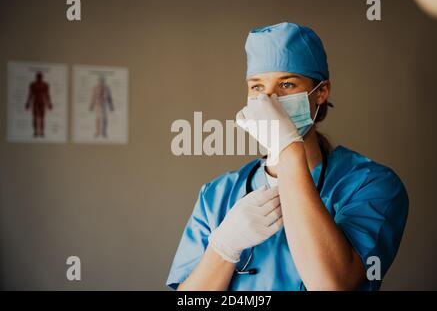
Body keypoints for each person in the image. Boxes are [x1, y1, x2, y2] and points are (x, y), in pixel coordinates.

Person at [166, 22, 408, 291]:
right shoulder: (217, 194)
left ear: (321, 92)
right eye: (257, 87)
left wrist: (289, 150)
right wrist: (223, 248)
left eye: (287, 83)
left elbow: (333, 286)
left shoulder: (372, 185)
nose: (269, 99)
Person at [25, 72, 53, 138]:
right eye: (38, 76)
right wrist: (28, 103)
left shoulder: (45, 85)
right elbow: (30, 95)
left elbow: (47, 95)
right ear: (36, 77)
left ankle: (42, 132)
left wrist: (49, 103)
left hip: (42, 102)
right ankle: (35, 132)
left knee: (42, 118)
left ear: (42, 77)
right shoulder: (33, 84)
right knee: (35, 117)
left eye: (40, 76)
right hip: (36, 102)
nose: (39, 78)